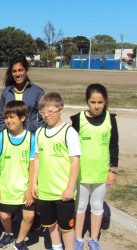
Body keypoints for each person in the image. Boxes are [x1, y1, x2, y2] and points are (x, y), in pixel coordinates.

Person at [71, 84, 119, 250]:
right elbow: (71, 146)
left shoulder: (110, 119)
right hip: (82, 172)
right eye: (93, 102)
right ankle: (77, 238)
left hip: (101, 172)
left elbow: (113, 146)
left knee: (97, 206)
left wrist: (112, 170)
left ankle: (93, 239)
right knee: (81, 205)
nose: (97, 106)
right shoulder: (77, 119)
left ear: (105, 102)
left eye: (100, 102)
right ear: (87, 101)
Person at [32, 92, 81, 250]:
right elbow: (37, 159)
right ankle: (56, 246)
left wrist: (69, 188)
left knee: (66, 226)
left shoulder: (69, 132)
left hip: (63, 192)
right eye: (43, 112)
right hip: (45, 190)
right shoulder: (39, 132)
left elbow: (75, 162)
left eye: (50, 111)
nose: (46, 115)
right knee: (50, 223)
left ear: (60, 110)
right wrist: (34, 183)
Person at [0, 100, 35, 250]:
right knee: (4, 216)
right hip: (6, 187)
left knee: (29, 216)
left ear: (23, 118)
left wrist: (30, 188)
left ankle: (19, 241)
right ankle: (9, 233)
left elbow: (32, 166)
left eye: (12, 117)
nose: (8, 121)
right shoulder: (1, 137)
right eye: (6, 117)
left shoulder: (30, 138)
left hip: (24, 187)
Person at [0, 55, 44, 133]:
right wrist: (2, 135)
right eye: (14, 71)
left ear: (26, 70)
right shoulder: (6, 93)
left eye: (20, 70)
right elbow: (1, 117)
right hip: (10, 138)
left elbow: (42, 118)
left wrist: (39, 136)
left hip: (30, 137)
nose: (17, 74)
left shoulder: (38, 92)